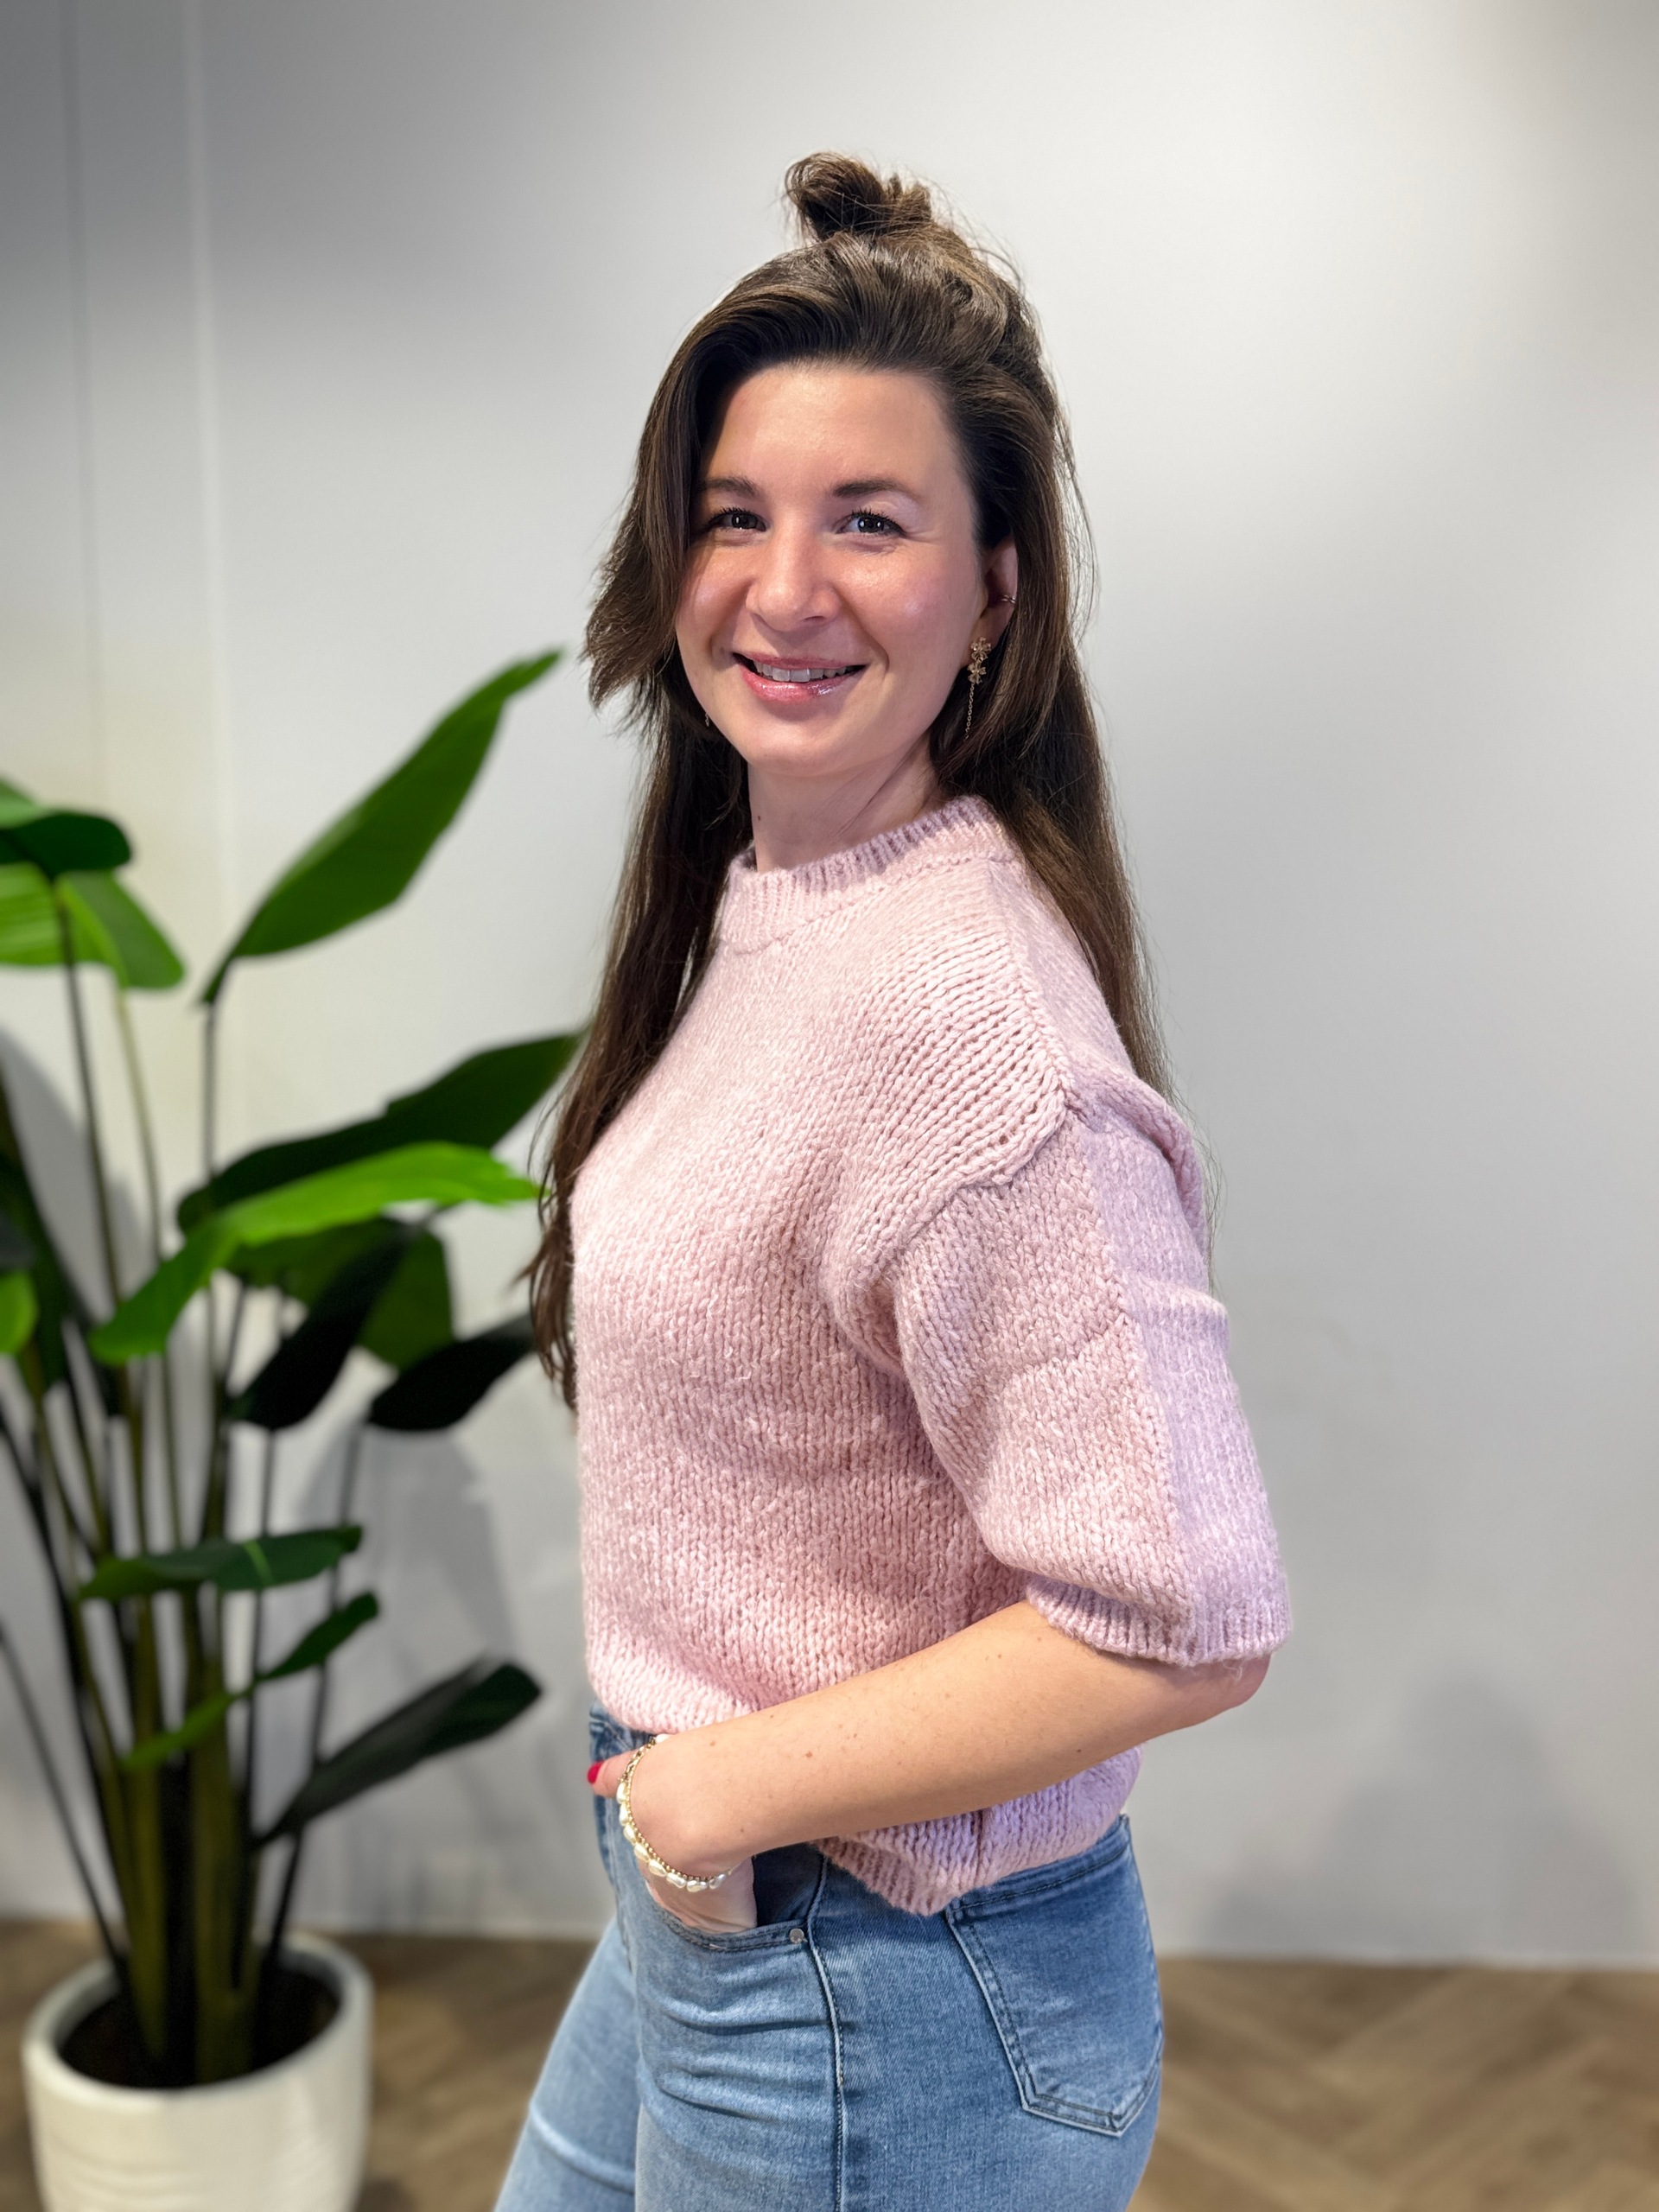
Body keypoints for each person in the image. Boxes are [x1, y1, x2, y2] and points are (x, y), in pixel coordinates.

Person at [497, 152, 1289, 2212]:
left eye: (870, 519)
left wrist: (714, 1792)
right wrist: (687, 1814)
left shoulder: (973, 1038)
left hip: (879, 1980)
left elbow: (1185, 1610)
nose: (784, 588)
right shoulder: (776, 904)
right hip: (727, 1902)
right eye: (733, 515)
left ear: (994, 586)